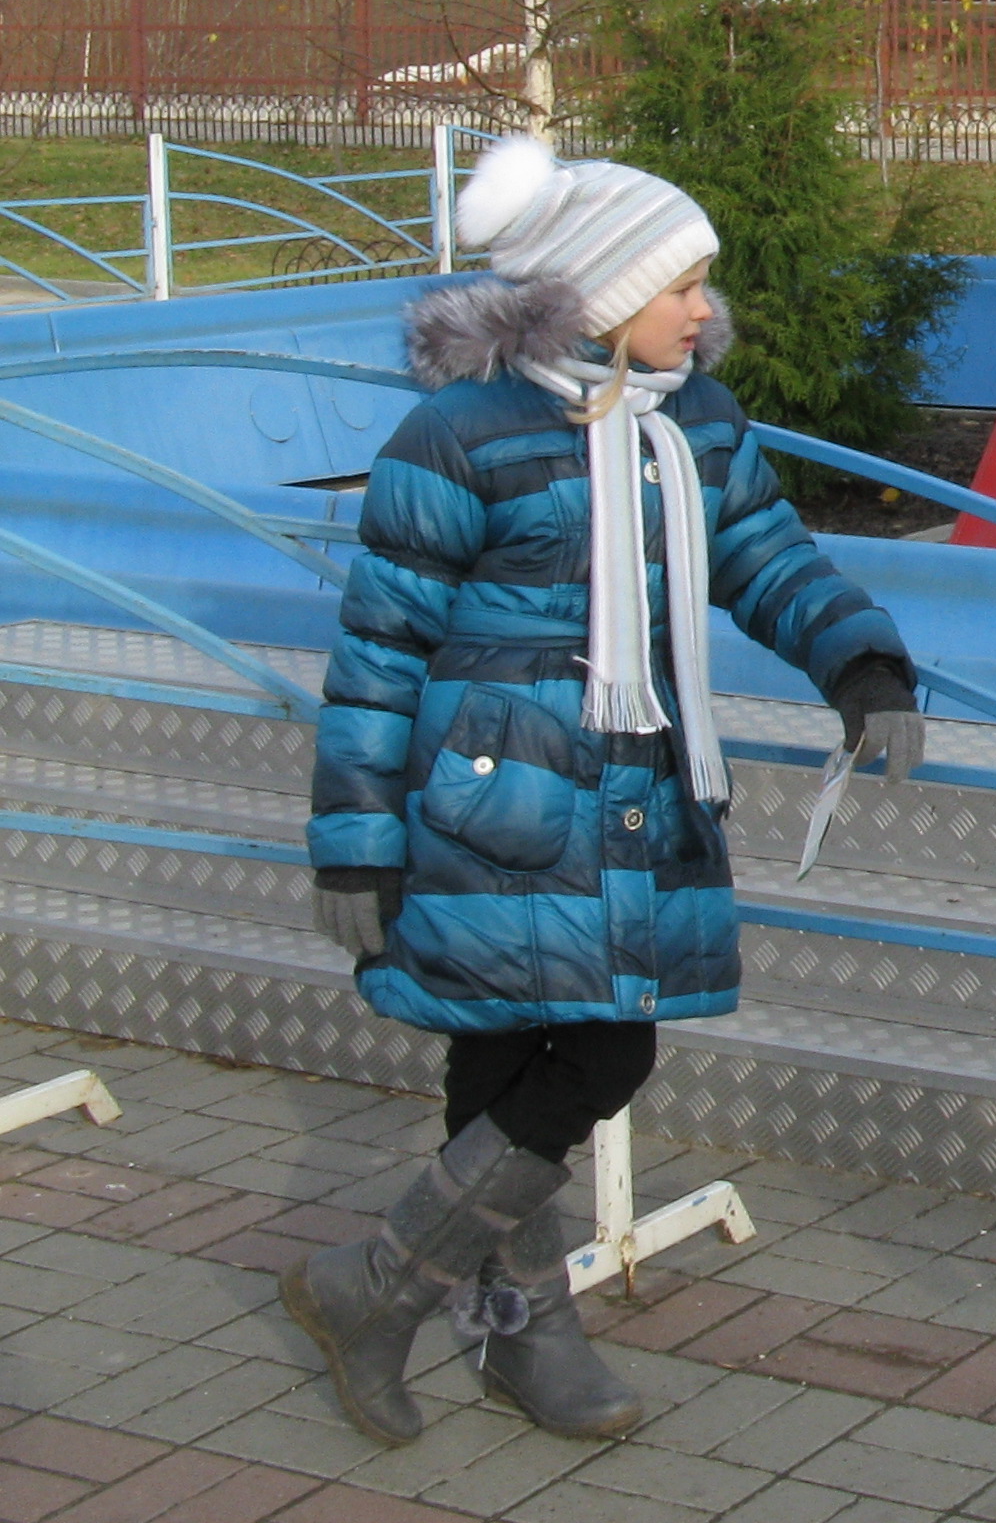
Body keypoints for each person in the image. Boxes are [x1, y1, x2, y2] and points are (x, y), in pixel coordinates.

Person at [284, 136, 926, 1448]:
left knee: (582, 1046)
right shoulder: (460, 435)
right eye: (681, 284)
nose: (704, 309)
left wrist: (861, 663)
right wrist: (353, 844)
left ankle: (415, 1298)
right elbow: (380, 653)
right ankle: (479, 1314)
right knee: (535, 1049)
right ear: (602, 290)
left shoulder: (697, 424)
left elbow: (768, 558)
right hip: (490, 806)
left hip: (635, 790)